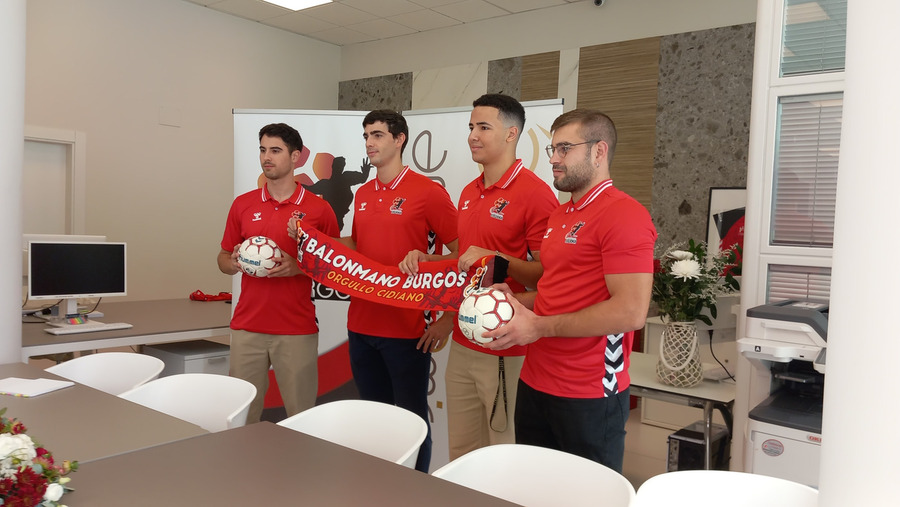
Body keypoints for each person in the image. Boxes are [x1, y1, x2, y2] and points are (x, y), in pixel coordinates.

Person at [481, 109, 657, 473]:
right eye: (552, 150)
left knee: (588, 494)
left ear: (598, 151)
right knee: (534, 488)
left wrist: (539, 327)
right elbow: (555, 291)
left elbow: (630, 312)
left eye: (565, 149)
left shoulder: (625, 215)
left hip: (589, 391)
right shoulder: (562, 215)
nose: (554, 160)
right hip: (536, 380)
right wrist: (511, 300)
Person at [400, 94, 558, 461]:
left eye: (483, 127)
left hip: (507, 346)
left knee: (504, 456)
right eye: (471, 127)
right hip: (464, 342)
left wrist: (498, 258)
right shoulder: (469, 192)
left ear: (511, 133)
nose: (473, 135)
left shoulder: (535, 194)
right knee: (463, 453)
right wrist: (429, 259)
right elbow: (465, 261)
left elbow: (547, 276)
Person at [344, 110, 459, 473]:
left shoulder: (428, 193)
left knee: (411, 424)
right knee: (374, 422)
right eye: (366, 136)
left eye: (377, 135)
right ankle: (379, 488)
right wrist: (310, 242)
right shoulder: (362, 192)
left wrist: (447, 321)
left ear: (399, 139)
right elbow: (359, 249)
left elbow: (462, 256)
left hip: (408, 329)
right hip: (361, 326)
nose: (369, 143)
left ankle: (415, 490)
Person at [218, 123, 339, 424]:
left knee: (301, 420)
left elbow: (336, 268)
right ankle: (244, 471)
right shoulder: (243, 205)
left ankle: (300, 472)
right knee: (241, 418)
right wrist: (233, 262)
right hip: (247, 327)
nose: (266, 157)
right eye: (262, 150)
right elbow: (221, 258)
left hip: (295, 329)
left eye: (275, 150)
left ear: (295, 156)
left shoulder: (318, 209)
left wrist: (297, 267)